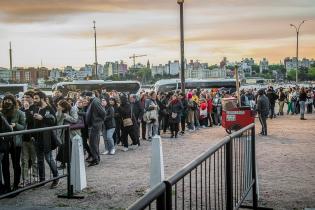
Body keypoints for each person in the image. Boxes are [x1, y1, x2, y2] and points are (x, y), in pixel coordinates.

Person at [33, 91, 60, 188]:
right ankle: (42, 180)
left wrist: (42, 118)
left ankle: (56, 178)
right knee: (40, 160)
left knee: (48, 158)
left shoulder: (49, 109)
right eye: (34, 98)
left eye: (36, 98)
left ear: (42, 98)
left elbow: (54, 122)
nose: (34, 100)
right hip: (37, 138)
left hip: (46, 138)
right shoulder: (36, 108)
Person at [1, 94, 26, 191]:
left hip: (15, 141)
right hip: (4, 141)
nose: (7, 101)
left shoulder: (19, 112)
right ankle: (7, 186)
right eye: (5, 100)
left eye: (9, 100)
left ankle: (16, 184)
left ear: (13, 101)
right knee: (5, 163)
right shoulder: (1, 112)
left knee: (16, 163)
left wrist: (15, 125)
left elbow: (23, 127)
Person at [55, 99, 80, 169]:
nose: (58, 107)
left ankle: (68, 163)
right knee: (62, 146)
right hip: (62, 131)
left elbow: (75, 120)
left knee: (68, 147)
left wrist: (66, 116)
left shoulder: (72, 109)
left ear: (64, 106)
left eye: (59, 106)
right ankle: (63, 163)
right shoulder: (59, 111)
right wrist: (59, 113)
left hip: (71, 132)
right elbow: (57, 120)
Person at [85, 91, 106, 166]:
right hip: (94, 125)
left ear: (89, 96)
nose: (85, 98)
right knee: (93, 143)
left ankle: (95, 159)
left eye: (86, 97)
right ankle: (96, 158)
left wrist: (98, 122)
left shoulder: (95, 101)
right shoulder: (94, 101)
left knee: (93, 143)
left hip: (95, 125)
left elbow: (103, 113)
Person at [21, 91, 38, 184]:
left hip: (33, 137)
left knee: (34, 159)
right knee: (24, 160)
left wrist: (27, 109)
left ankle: (35, 177)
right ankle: (25, 179)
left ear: (32, 98)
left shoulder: (35, 108)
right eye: (24, 97)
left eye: (28, 97)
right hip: (23, 138)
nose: (25, 99)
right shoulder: (21, 109)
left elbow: (31, 121)